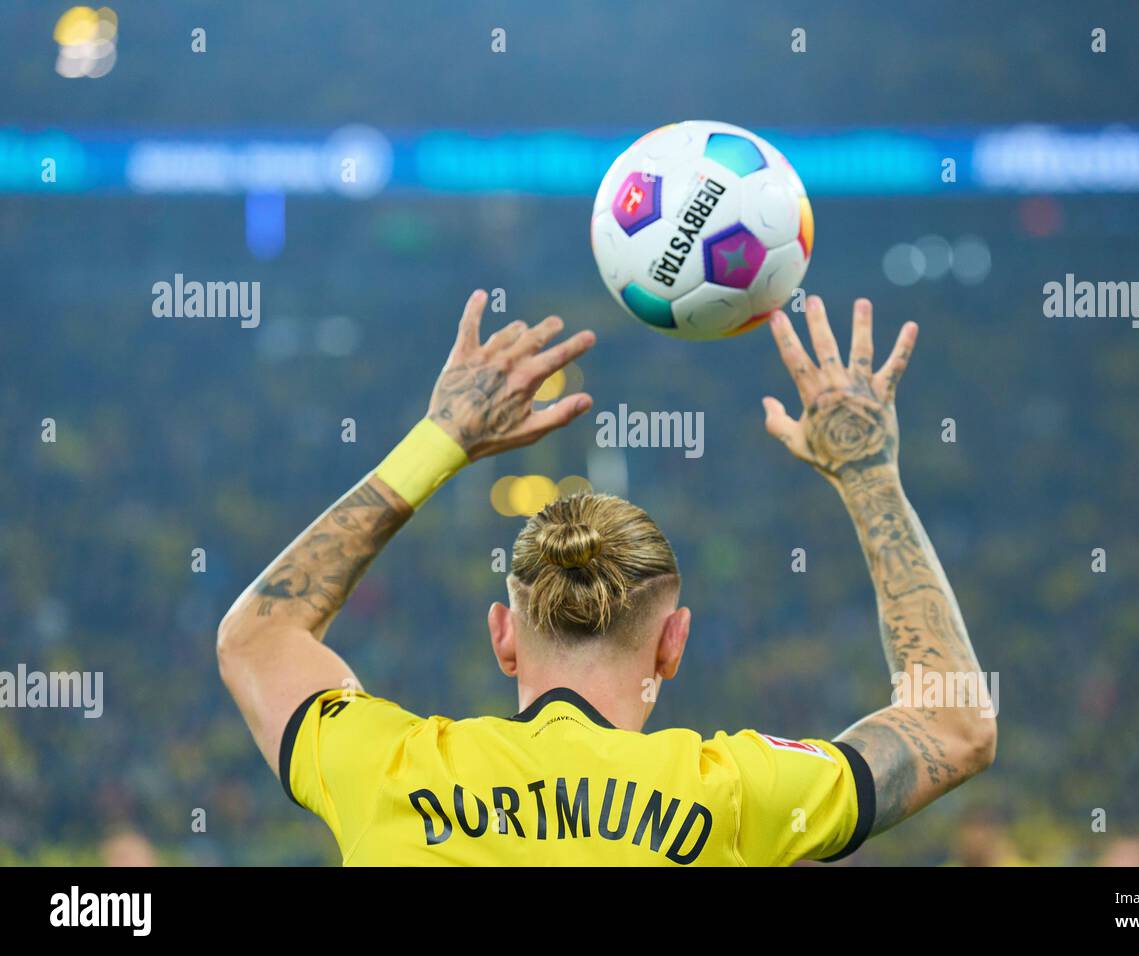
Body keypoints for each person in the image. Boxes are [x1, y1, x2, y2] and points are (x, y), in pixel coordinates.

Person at [217, 290, 996, 865]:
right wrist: (867, 474)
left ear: (502, 636)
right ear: (673, 643)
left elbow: (258, 638)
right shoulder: (731, 792)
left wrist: (442, 440)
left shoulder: (390, 769)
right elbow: (954, 728)